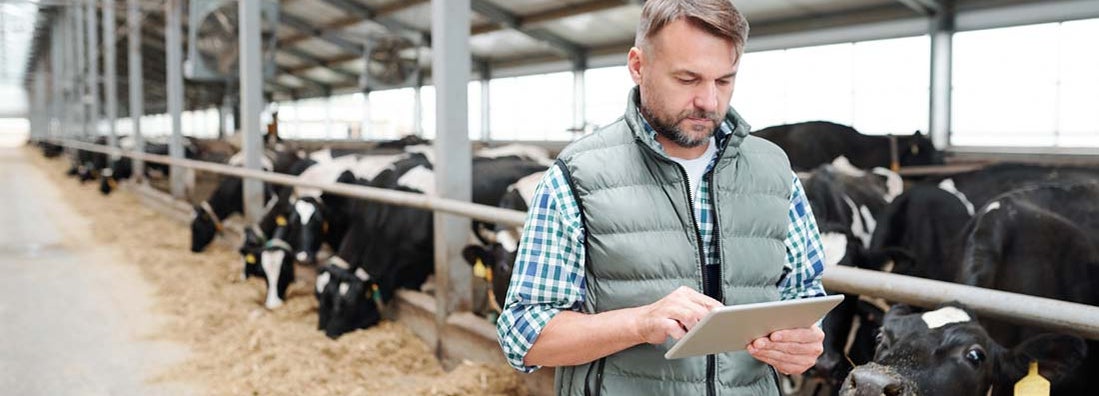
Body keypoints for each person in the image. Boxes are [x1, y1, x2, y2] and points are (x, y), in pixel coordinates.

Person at [495, 0, 828, 395]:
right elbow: (523, 335)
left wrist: (805, 342)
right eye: (688, 79)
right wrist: (639, 323)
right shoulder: (578, 175)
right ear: (638, 66)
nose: (709, 101)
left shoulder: (775, 171)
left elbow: (804, 296)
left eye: (724, 80)